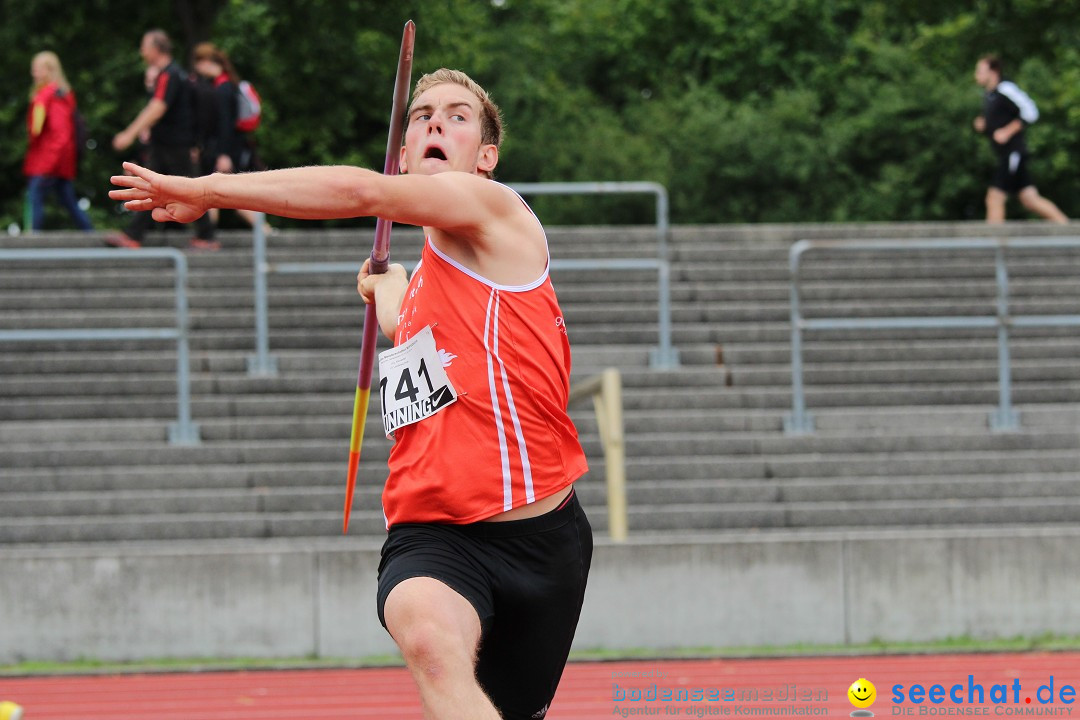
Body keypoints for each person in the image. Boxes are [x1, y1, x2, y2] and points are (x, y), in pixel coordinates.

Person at [110, 68, 592, 720]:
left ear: (486, 157)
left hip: (543, 539)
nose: (434, 125)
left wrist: (207, 189)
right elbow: (410, 322)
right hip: (432, 535)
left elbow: (357, 190)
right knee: (428, 641)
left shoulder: (496, 212)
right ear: (403, 153)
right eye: (420, 116)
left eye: (456, 116)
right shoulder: (424, 284)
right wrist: (383, 288)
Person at [108, 29, 218, 250]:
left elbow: (157, 108)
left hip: (175, 145)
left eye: (144, 46)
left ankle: (206, 237)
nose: (142, 51)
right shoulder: (171, 74)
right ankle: (134, 235)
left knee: (190, 188)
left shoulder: (169, 74)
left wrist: (129, 134)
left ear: (156, 49)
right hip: (166, 144)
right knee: (153, 188)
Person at [972, 55, 1067, 224]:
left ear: (993, 71)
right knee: (1029, 199)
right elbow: (998, 122)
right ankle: (1070, 232)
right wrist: (984, 125)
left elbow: (1031, 112)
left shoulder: (1006, 89)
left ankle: (992, 247)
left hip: (1012, 152)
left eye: (980, 71)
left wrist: (1007, 132)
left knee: (994, 197)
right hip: (1005, 154)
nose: (976, 75)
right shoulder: (989, 95)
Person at [190, 42, 273, 235]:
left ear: (207, 62)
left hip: (227, 149)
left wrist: (223, 154)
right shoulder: (229, 85)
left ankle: (210, 235)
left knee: (219, 194)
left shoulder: (223, 89)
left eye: (199, 64)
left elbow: (225, 124)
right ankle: (209, 234)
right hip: (234, 147)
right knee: (219, 193)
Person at [23, 51, 93, 232]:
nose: (34, 73)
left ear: (50, 70)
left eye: (37, 69)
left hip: (49, 160)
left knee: (35, 196)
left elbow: (60, 135)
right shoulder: (54, 95)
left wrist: (49, 164)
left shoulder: (53, 96)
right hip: (55, 160)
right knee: (67, 200)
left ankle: (32, 243)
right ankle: (90, 235)